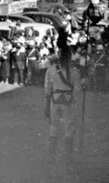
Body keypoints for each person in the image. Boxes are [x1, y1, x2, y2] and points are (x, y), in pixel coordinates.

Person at [44, 28, 82, 159]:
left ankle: (51, 154)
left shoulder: (50, 70)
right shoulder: (74, 72)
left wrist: (46, 106)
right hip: (68, 101)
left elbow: (47, 90)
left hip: (54, 100)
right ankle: (68, 155)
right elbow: (77, 90)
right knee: (69, 128)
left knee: (53, 127)